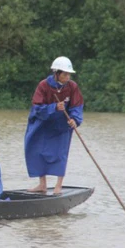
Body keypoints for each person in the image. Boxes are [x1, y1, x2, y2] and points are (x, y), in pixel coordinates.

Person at [24, 56, 84, 195]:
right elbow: (37, 107)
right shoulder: (43, 85)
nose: (67, 77)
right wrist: (54, 107)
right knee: (37, 151)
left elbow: (77, 105)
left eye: (69, 74)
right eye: (65, 74)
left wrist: (74, 119)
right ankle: (42, 184)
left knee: (60, 154)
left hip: (61, 125)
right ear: (56, 73)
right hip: (44, 123)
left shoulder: (72, 87)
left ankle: (58, 186)